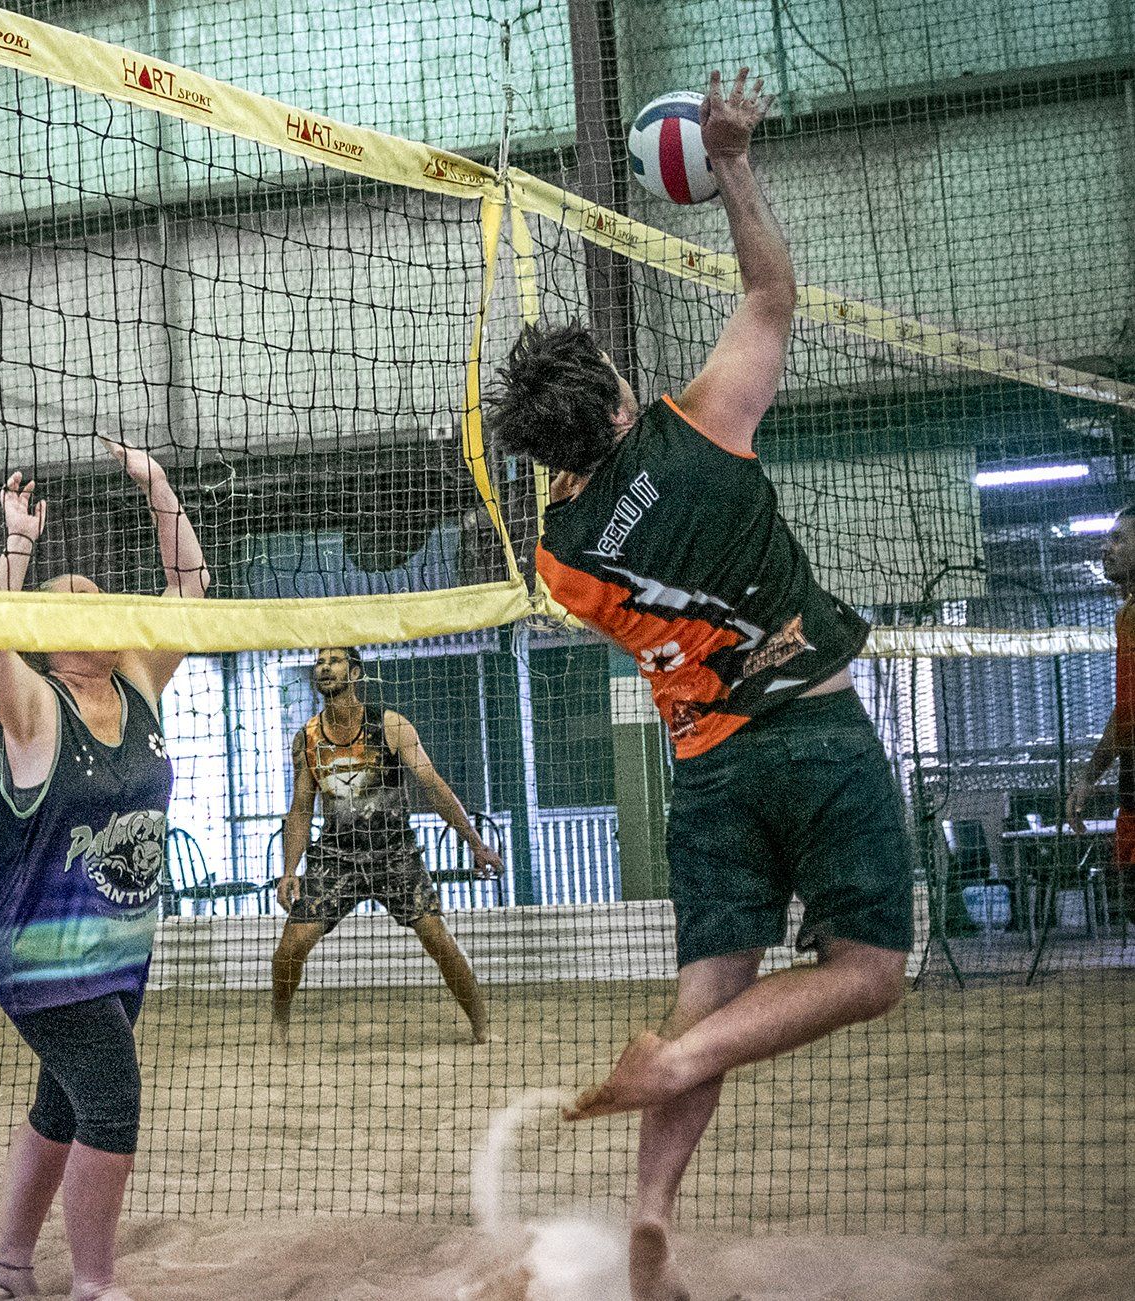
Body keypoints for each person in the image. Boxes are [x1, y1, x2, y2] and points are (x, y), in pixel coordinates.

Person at [487, 70, 911, 1300]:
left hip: (709, 766)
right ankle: (674, 1073)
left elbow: (597, 516)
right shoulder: (706, 423)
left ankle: (651, 1216)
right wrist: (726, 159)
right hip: (814, 732)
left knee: (706, 994)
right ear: (623, 396)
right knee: (871, 969)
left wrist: (578, 474)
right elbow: (774, 290)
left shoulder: (562, 565)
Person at [0, 441, 209, 1301]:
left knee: (64, 1105)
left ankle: (8, 1257)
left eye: (102, 596)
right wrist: (19, 544)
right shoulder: (36, 708)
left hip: (116, 955)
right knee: (113, 1102)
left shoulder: (139, 680)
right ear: (48, 634)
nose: (99, 604)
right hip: (41, 956)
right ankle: (97, 1285)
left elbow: (191, 591)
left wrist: (154, 485)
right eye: (76, 601)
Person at [270, 646, 502, 1045]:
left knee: (437, 936)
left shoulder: (390, 725)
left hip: (394, 852)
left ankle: (481, 1027)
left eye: (335, 661)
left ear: (355, 673)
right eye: (320, 662)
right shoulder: (306, 738)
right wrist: (290, 871)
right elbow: (301, 809)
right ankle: (279, 1026)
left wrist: (476, 843)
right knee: (292, 945)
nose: (325, 667)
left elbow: (433, 785)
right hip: (336, 856)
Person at [1066, 505, 1135, 918]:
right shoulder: (1125, 615)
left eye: (1119, 539)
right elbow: (1126, 711)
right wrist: (1089, 777)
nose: (1105, 547)